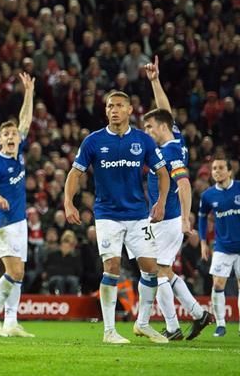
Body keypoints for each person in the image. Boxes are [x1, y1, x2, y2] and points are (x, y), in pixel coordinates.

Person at [63, 90, 170, 344]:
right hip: (108, 215)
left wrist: (161, 202)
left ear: (130, 110)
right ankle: (109, 331)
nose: (114, 110)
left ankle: (142, 323)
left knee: (151, 269)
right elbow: (75, 173)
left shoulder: (143, 140)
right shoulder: (93, 141)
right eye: (110, 106)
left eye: (119, 105)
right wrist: (68, 202)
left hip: (137, 215)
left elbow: (163, 173)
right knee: (111, 267)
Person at [142, 57, 213, 340]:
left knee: (157, 272)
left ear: (160, 128)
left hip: (168, 218)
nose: (147, 131)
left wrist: (185, 218)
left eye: (149, 127)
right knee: (166, 271)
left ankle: (172, 328)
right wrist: (155, 81)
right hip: (165, 217)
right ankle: (198, 314)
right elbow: (166, 112)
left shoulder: (169, 152)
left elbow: (184, 184)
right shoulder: (175, 139)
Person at [0, 72, 36, 338]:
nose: (12, 136)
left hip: (19, 220)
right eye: (7, 134)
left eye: (14, 133)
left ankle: (11, 321)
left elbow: (25, 119)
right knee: (13, 271)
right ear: (1, 140)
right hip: (2, 222)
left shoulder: (19, 152)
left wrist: (29, 92)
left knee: (19, 273)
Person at [198, 159, 240, 338]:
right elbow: (201, 218)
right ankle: (221, 324)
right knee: (217, 284)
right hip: (222, 246)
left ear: (230, 171)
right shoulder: (208, 195)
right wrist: (203, 242)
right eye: (214, 168)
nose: (217, 171)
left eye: (221, 168)